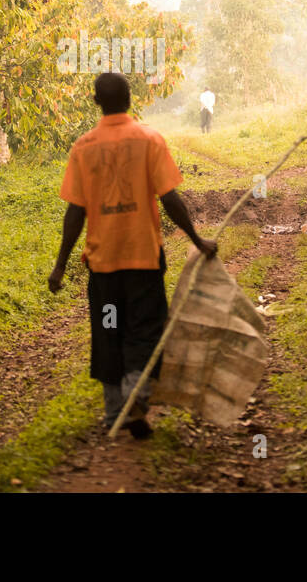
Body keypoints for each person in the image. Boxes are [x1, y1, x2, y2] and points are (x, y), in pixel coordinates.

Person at [49, 72, 217, 439]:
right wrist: (197, 238)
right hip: (143, 261)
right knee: (145, 329)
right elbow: (170, 198)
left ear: (96, 102)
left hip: (104, 267)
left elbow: (75, 211)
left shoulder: (83, 147)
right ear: (130, 99)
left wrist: (60, 265)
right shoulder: (148, 139)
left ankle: (116, 412)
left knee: (109, 331)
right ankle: (135, 397)